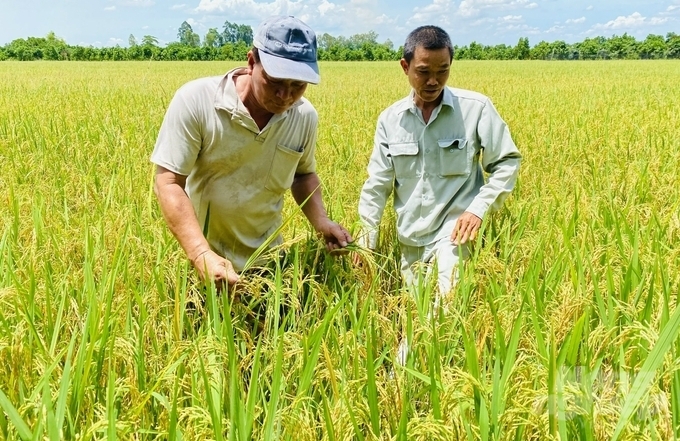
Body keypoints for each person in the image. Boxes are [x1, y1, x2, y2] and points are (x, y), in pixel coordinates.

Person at [152, 15, 352, 288]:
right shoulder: (197, 101)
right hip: (201, 262)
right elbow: (169, 182)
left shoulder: (304, 116)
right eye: (275, 82)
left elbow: (303, 175)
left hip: (269, 264)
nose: (285, 96)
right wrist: (200, 254)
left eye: (298, 86)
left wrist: (321, 221)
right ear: (251, 62)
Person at [357, 25, 521, 303]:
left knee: (443, 310)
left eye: (442, 70)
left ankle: (406, 350)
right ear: (405, 67)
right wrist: (365, 239)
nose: (433, 81)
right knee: (414, 312)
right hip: (410, 241)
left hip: (455, 236)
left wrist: (477, 210)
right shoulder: (390, 119)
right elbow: (378, 184)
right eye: (423, 71)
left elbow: (506, 162)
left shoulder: (476, 108)